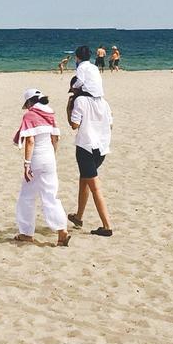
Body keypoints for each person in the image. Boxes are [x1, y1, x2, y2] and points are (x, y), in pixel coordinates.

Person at [12, 88, 70, 245]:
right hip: (49, 158)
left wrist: (26, 164)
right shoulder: (50, 114)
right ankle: (62, 231)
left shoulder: (30, 115)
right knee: (51, 196)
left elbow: (30, 141)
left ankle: (26, 233)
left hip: (36, 158)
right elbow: (55, 138)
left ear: (30, 102)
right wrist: (52, 155)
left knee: (27, 196)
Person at [66, 74, 114, 236]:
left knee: (95, 187)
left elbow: (74, 125)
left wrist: (69, 109)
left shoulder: (79, 101)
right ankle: (78, 217)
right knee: (84, 180)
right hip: (101, 148)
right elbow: (110, 124)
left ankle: (107, 226)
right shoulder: (103, 102)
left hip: (85, 148)